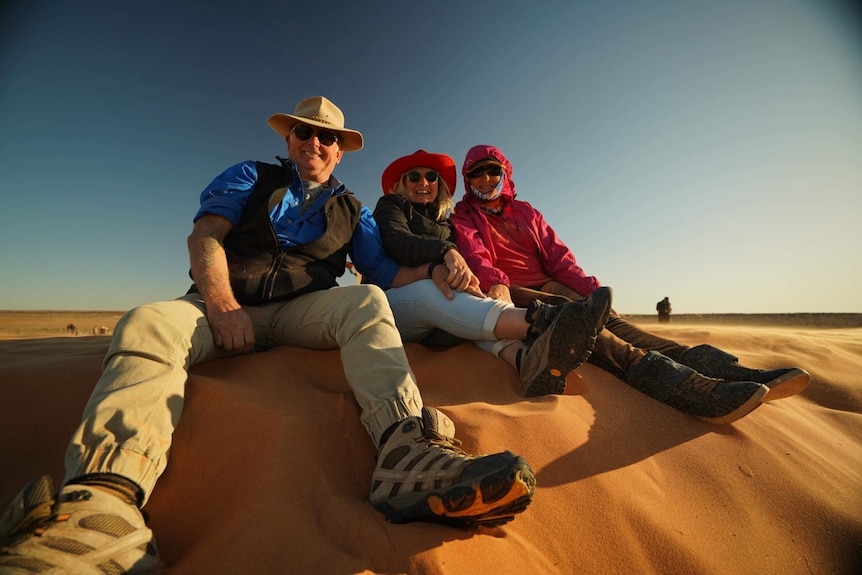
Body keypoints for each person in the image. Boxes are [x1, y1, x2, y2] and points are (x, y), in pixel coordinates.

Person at [0, 100, 536, 573]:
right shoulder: (250, 177)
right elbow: (205, 235)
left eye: (328, 137)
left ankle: (406, 452)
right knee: (147, 321)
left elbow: (386, 275)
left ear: (340, 151)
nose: (316, 143)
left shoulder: (353, 209)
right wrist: (223, 303)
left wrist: (442, 263)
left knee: (366, 300)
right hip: (218, 307)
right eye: (306, 132)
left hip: (301, 313)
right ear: (290, 139)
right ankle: (103, 502)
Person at [450, 144, 811, 424]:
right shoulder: (464, 215)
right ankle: (689, 388)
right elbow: (474, 251)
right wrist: (497, 282)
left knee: (617, 324)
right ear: (469, 180)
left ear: (504, 173)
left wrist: (590, 289)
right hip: (514, 291)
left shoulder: (527, 211)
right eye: (477, 174)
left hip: (550, 281)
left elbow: (560, 257)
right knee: (587, 330)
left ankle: (722, 369)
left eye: (491, 171)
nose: (485, 180)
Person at [373, 150, 612, 397]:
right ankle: (544, 321)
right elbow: (397, 241)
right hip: (398, 309)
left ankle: (524, 361)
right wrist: (446, 252)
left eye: (431, 177)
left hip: (439, 321)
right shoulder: (392, 206)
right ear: (402, 184)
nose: (423, 183)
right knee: (434, 292)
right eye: (414, 177)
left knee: (475, 306)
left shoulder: (446, 222)